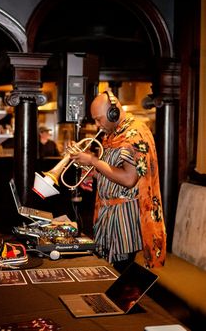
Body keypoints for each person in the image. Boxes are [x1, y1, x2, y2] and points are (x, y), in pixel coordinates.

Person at [70, 90, 166, 272]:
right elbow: (114, 174)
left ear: (113, 113)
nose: (97, 126)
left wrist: (93, 161)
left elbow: (129, 179)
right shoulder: (114, 134)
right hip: (109, 216)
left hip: (124, 219)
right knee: (106, 274)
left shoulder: (134, 133)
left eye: (99, 119)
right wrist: (94, 173)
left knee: (120, 276)